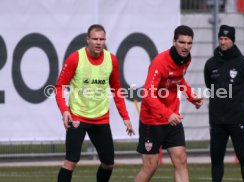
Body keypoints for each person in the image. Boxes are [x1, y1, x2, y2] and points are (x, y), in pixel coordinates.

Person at [55, 24, 135, 182]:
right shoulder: (75, 58)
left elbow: (117, 89)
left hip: (100, 118)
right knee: (71, 162)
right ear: (88, 40)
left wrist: (125, 117)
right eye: (95, 39)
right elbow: (59, 87)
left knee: (108, 164)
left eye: (102, 39)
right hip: (77, 117)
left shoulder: (111, 59)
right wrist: (65, 110)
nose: (98, 42)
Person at [134, 25, 203, 182]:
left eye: (189, 43)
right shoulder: (160, 62)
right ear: (174, 42)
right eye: (182, 42)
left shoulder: (187, 59)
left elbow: (178, 79)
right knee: (150, 166)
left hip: (173, 118)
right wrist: (167, 114)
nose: (186, 47)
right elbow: (148, 94)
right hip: (152, 120)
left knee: (181, 160)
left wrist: (192, 97)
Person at [204, 25, 244, 182]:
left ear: (233, 40)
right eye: (220, 38)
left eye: (226, 39)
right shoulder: (210, 64)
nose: (222, 42)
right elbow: (209, 86)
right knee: (216, 159)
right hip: (217, 120)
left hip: (238, 118)